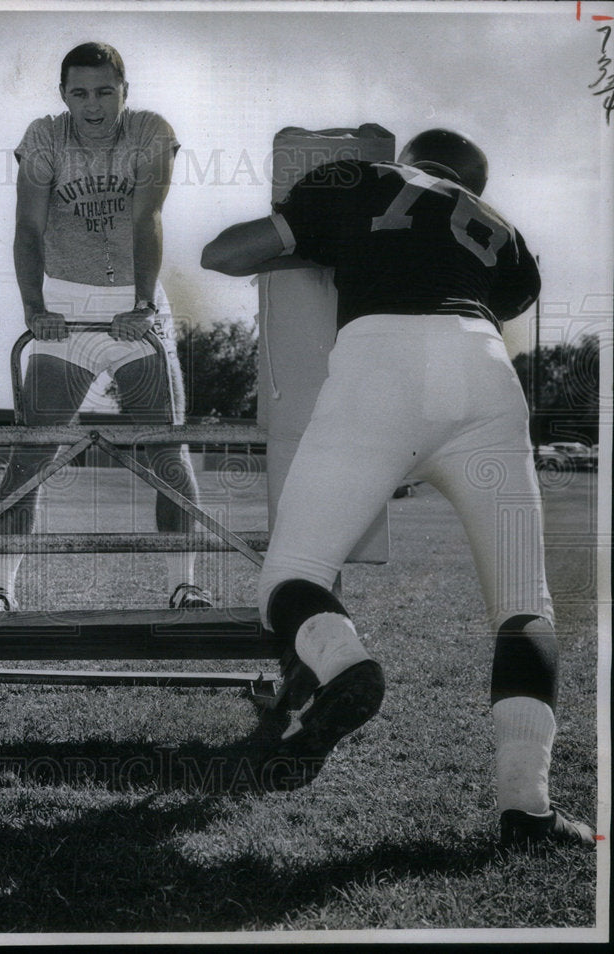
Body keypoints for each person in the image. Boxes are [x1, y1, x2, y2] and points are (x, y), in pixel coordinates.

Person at [201, 129, 595, 848]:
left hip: (378, 365)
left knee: (292, 576)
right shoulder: (502, 229)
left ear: (410, 157)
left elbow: (224, 253)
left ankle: (346, 664)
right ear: (475, 183)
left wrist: (315, 244)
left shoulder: (362, 178)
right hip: (481, 372)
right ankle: (527, 808)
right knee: (522, 604)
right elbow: (497, 299)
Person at [0, 41, 212, 613]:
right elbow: (27, 229)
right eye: (79, 92)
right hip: (66, 311)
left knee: (165, 451)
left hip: (134, 309)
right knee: (32, 453)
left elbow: (147, 216)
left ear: (125, 91)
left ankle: (186, 584)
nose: (94, 104)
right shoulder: (44, 137)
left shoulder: (151, 131)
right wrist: (35, 308)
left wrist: (140, 304)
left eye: (105, 91)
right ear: (62, 95)